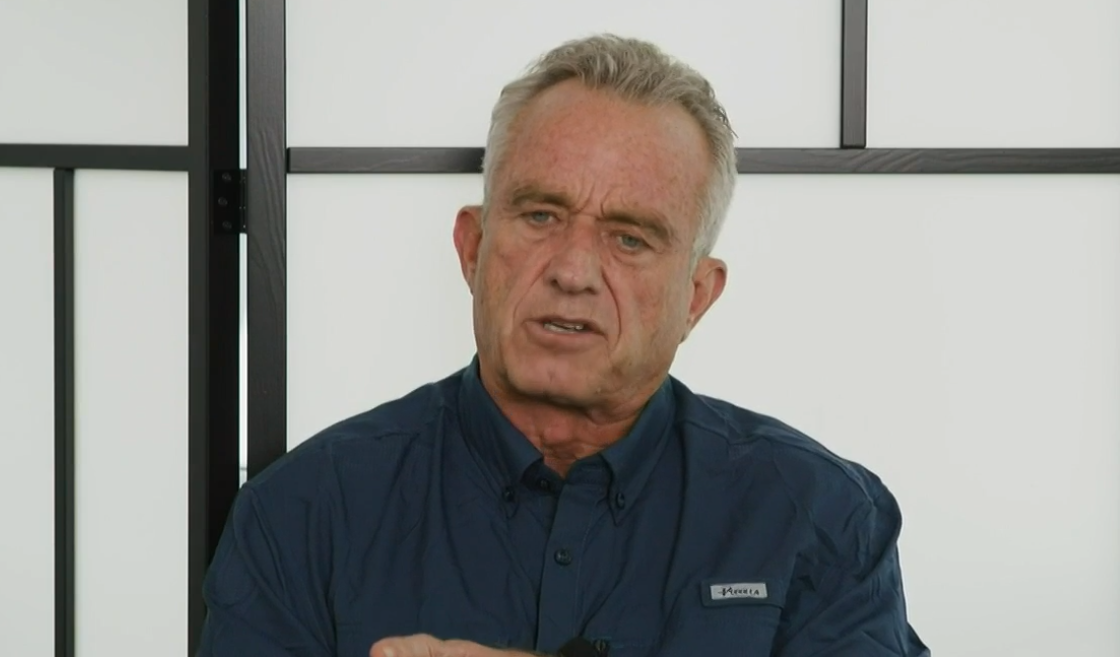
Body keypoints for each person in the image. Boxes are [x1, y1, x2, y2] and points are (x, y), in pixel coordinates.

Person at [197, 34, 929, 657]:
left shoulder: (821, 514)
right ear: (473, 248)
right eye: (541, 216)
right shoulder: (303, 514)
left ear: (696, 297)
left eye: (629, 238)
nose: (573, 271)